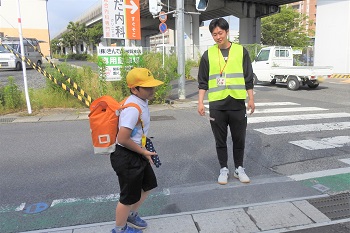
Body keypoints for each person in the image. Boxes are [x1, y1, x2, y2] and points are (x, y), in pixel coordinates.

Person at [197, 18, 255, 185]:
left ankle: (239, 168)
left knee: (239, 139)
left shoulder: (240, 51)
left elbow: (248, 77)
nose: (218, 37)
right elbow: (203, 82)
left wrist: (251, 98)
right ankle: (223, 169)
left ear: (227, 32)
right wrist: (200, 102)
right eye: (214, 34)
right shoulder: (208, 54)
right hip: (217, 105)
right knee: (220, 140)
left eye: (220, 33)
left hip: (237, 103)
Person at [110, 67, 163, 233]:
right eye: (147, 87)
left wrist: (143, 152)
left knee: (148, 185)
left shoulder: (141, 102)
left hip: (136, 151)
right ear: (134, 89)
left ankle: (131, 214)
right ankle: (119, 229)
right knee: (127, 196)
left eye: (152, 85)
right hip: (126, 156)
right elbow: (122, 138)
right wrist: (143, 152)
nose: (152, 89)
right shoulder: (133, 108)